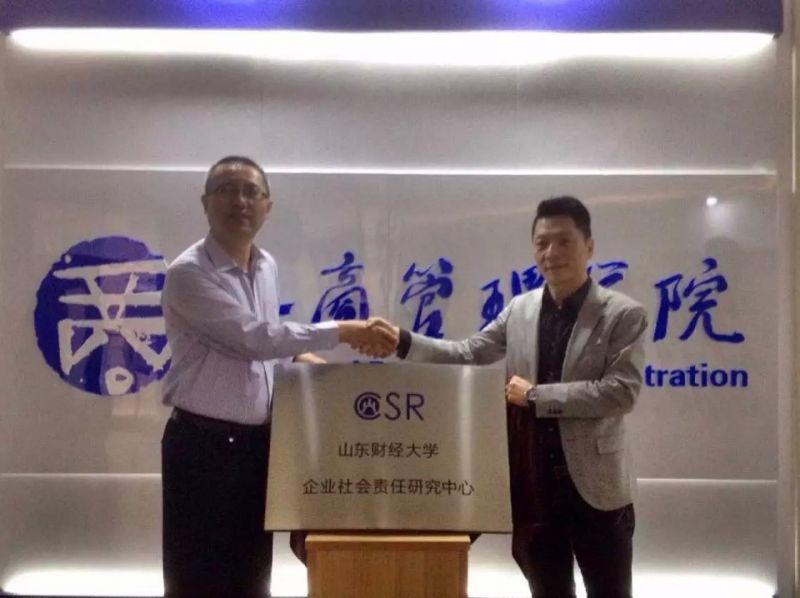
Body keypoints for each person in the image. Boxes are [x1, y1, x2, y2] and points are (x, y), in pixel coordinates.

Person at [160, 155, 396, 597]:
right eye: (227, 190)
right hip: (202, 447)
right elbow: (252, 338)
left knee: (251, 571)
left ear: (268, 207)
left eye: (251, 192)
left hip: (256, 444)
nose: (240, 201)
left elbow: (263, 348)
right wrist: (344, 331)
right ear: (205, 203)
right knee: (197, 574)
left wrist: (310, 363)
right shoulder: (189, 273)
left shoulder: (265, 266)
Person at [393, 196, 648, 598]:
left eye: (564, 241)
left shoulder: (622, 314)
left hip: (597, 489)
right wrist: (403, 341)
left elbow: (621, 392)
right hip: (534, 487)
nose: (551, 253)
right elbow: (470, 352)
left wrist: (535, 396)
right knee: (546, 590)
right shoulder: (520, 309)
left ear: (589, 246)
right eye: (542, 243)